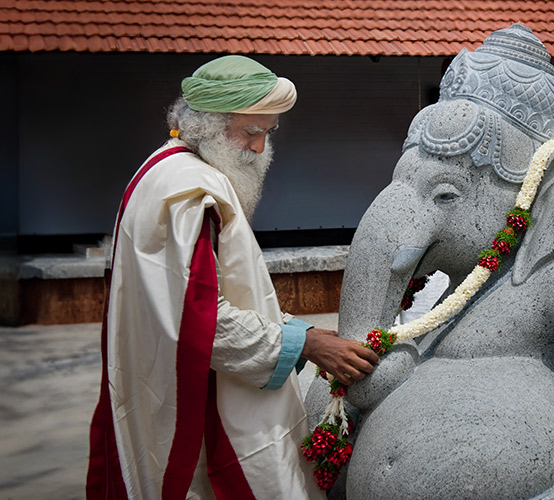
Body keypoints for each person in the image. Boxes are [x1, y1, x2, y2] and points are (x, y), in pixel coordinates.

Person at [86, 55, 380, 499]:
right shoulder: (191, 191)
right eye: (250, 132)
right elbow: (199, 319)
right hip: (200, 399)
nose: (261, 149)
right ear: (205, 126)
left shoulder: (164, 167)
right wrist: (309, 344)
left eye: (268, 132)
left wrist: (301, 332)